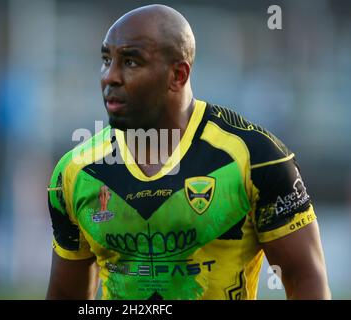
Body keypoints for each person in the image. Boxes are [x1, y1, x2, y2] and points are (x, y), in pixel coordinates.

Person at [46, 4, 331, 300]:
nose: (110, 77)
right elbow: (66, 295)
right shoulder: (76, 171)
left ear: (178, 75)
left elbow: (305, 277)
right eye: (106, 60)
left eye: (131, 62)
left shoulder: (256, 157)